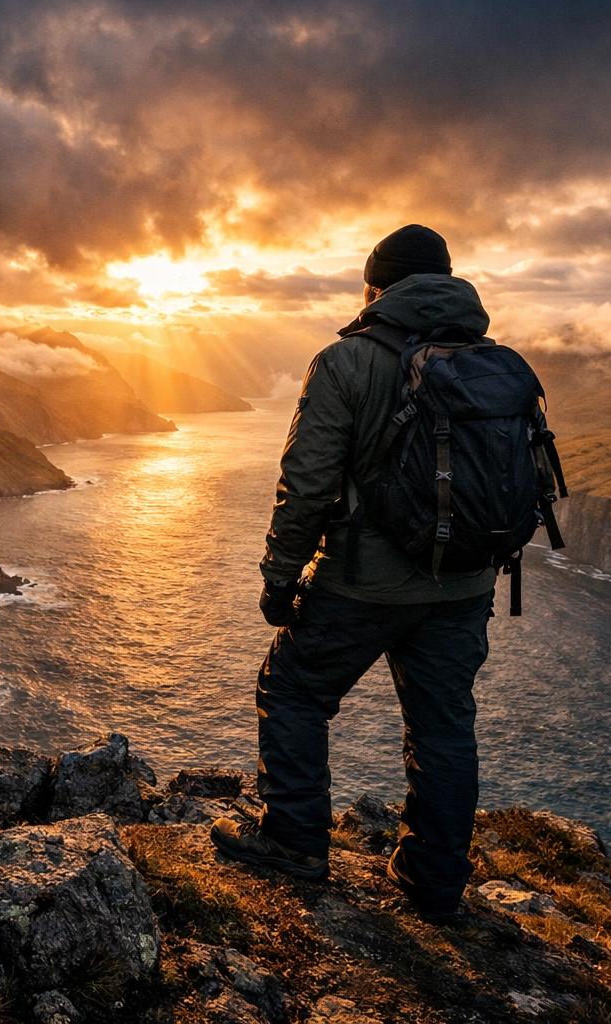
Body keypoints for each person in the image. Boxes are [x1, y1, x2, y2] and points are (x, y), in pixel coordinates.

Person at [210, 224, 498, 923]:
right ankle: (434, 885)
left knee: (294, 691)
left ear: (376, 288)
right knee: (443, 727)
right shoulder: (494, 361)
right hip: (466, 584)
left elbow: (307, 481)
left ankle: (296, 844)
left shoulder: (347, 361)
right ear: (447, 281)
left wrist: (281, 577)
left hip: (363, 580)